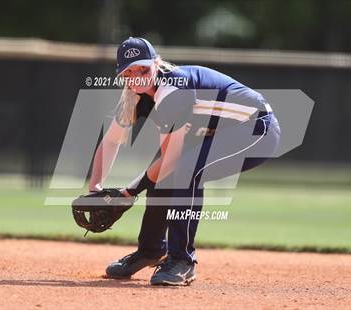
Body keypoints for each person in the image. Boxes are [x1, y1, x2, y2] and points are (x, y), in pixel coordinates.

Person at [88, 37, 280, 286]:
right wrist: (96, 189)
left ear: (156, 64)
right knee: (167, 174)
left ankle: (182, 261)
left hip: (257, 130)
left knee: (185, 168)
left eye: (143, 68)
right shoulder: (135, 97)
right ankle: (150, 251)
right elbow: (112, 141)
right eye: (129, 72)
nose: (137, 76)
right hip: (220, 132)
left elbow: (170, 158)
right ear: (122, 75)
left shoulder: (173, 90)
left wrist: (128, 192)